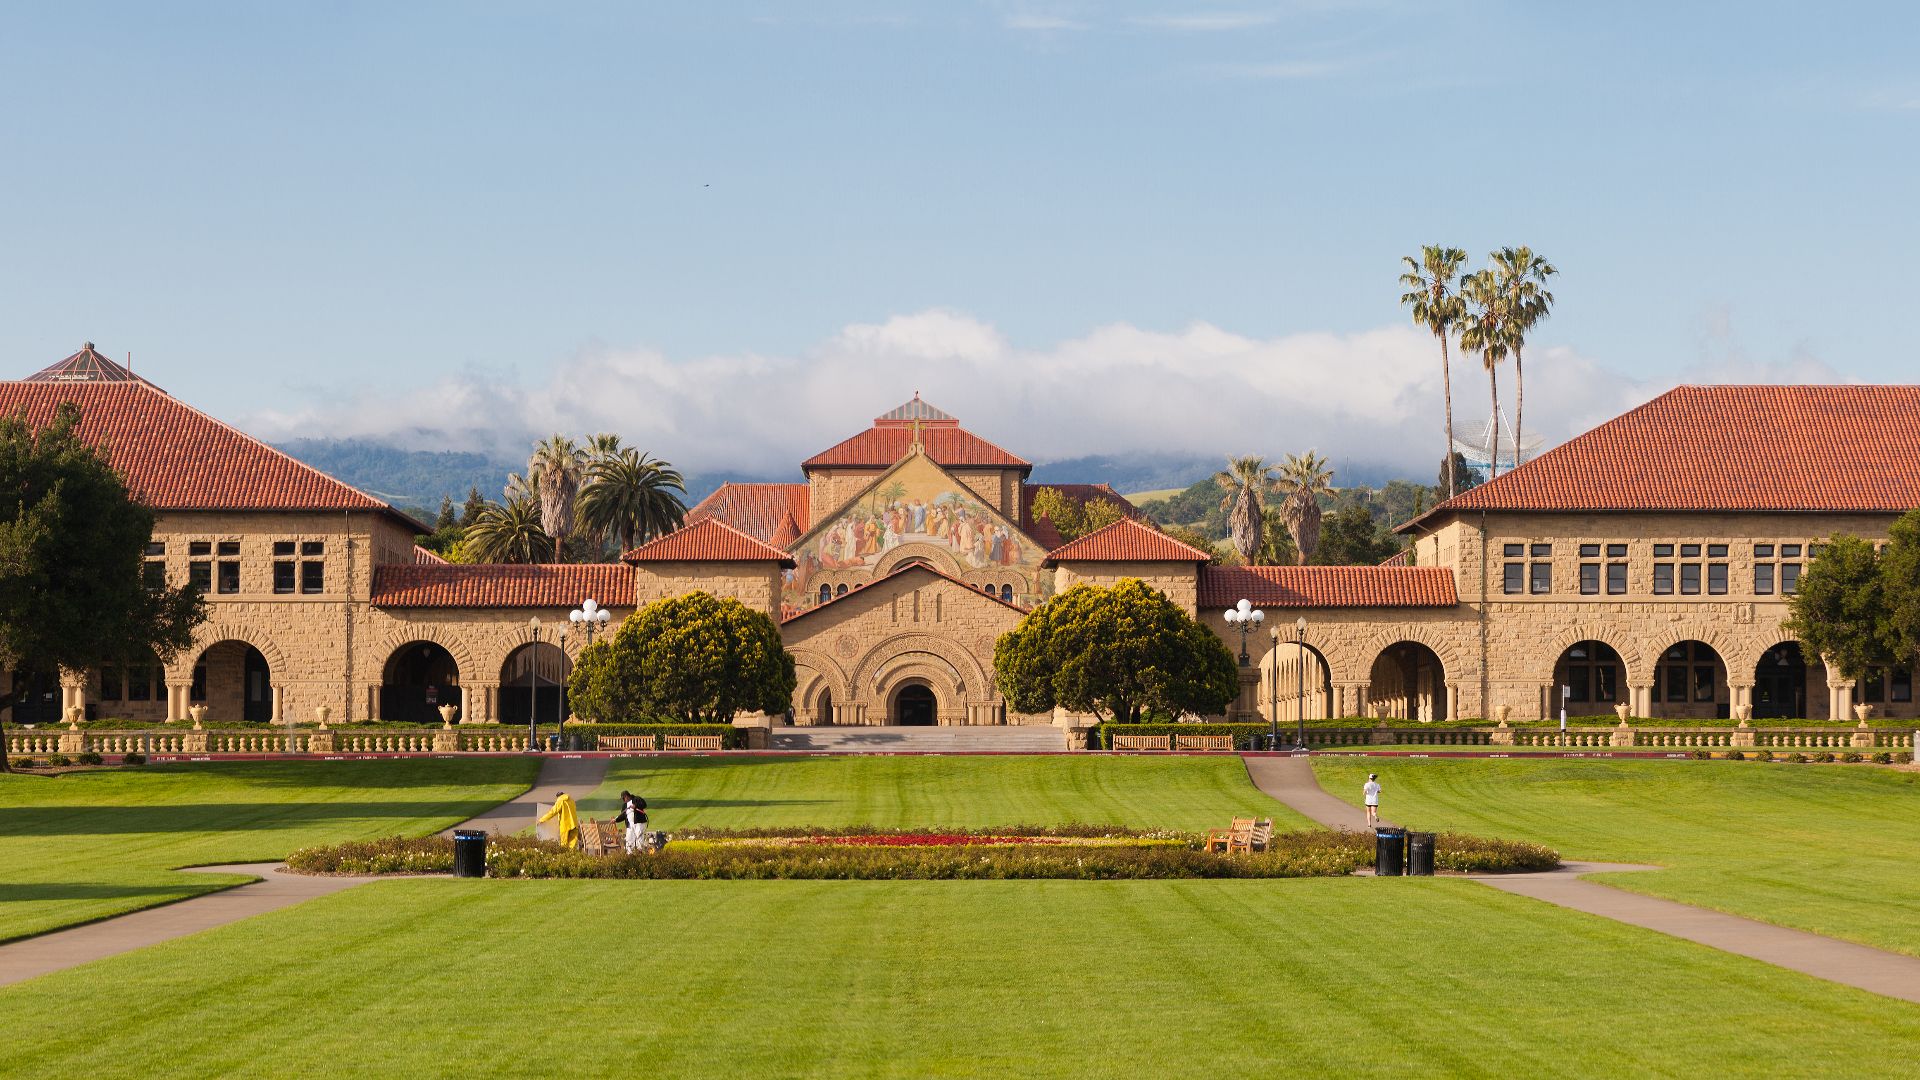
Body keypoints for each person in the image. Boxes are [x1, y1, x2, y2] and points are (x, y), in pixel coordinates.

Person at [615, 789, 649, 854]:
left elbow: (644, 804)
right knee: (629, 839)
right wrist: (616, 820)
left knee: (639, 837)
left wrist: (635, 806)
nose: (623, 800)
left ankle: (640, 853)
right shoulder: (624, 805)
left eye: (623, 798)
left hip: (639, 823)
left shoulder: (637, 799)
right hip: (630, 825)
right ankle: (630, 855)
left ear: (626, 796)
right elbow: (623, 815)